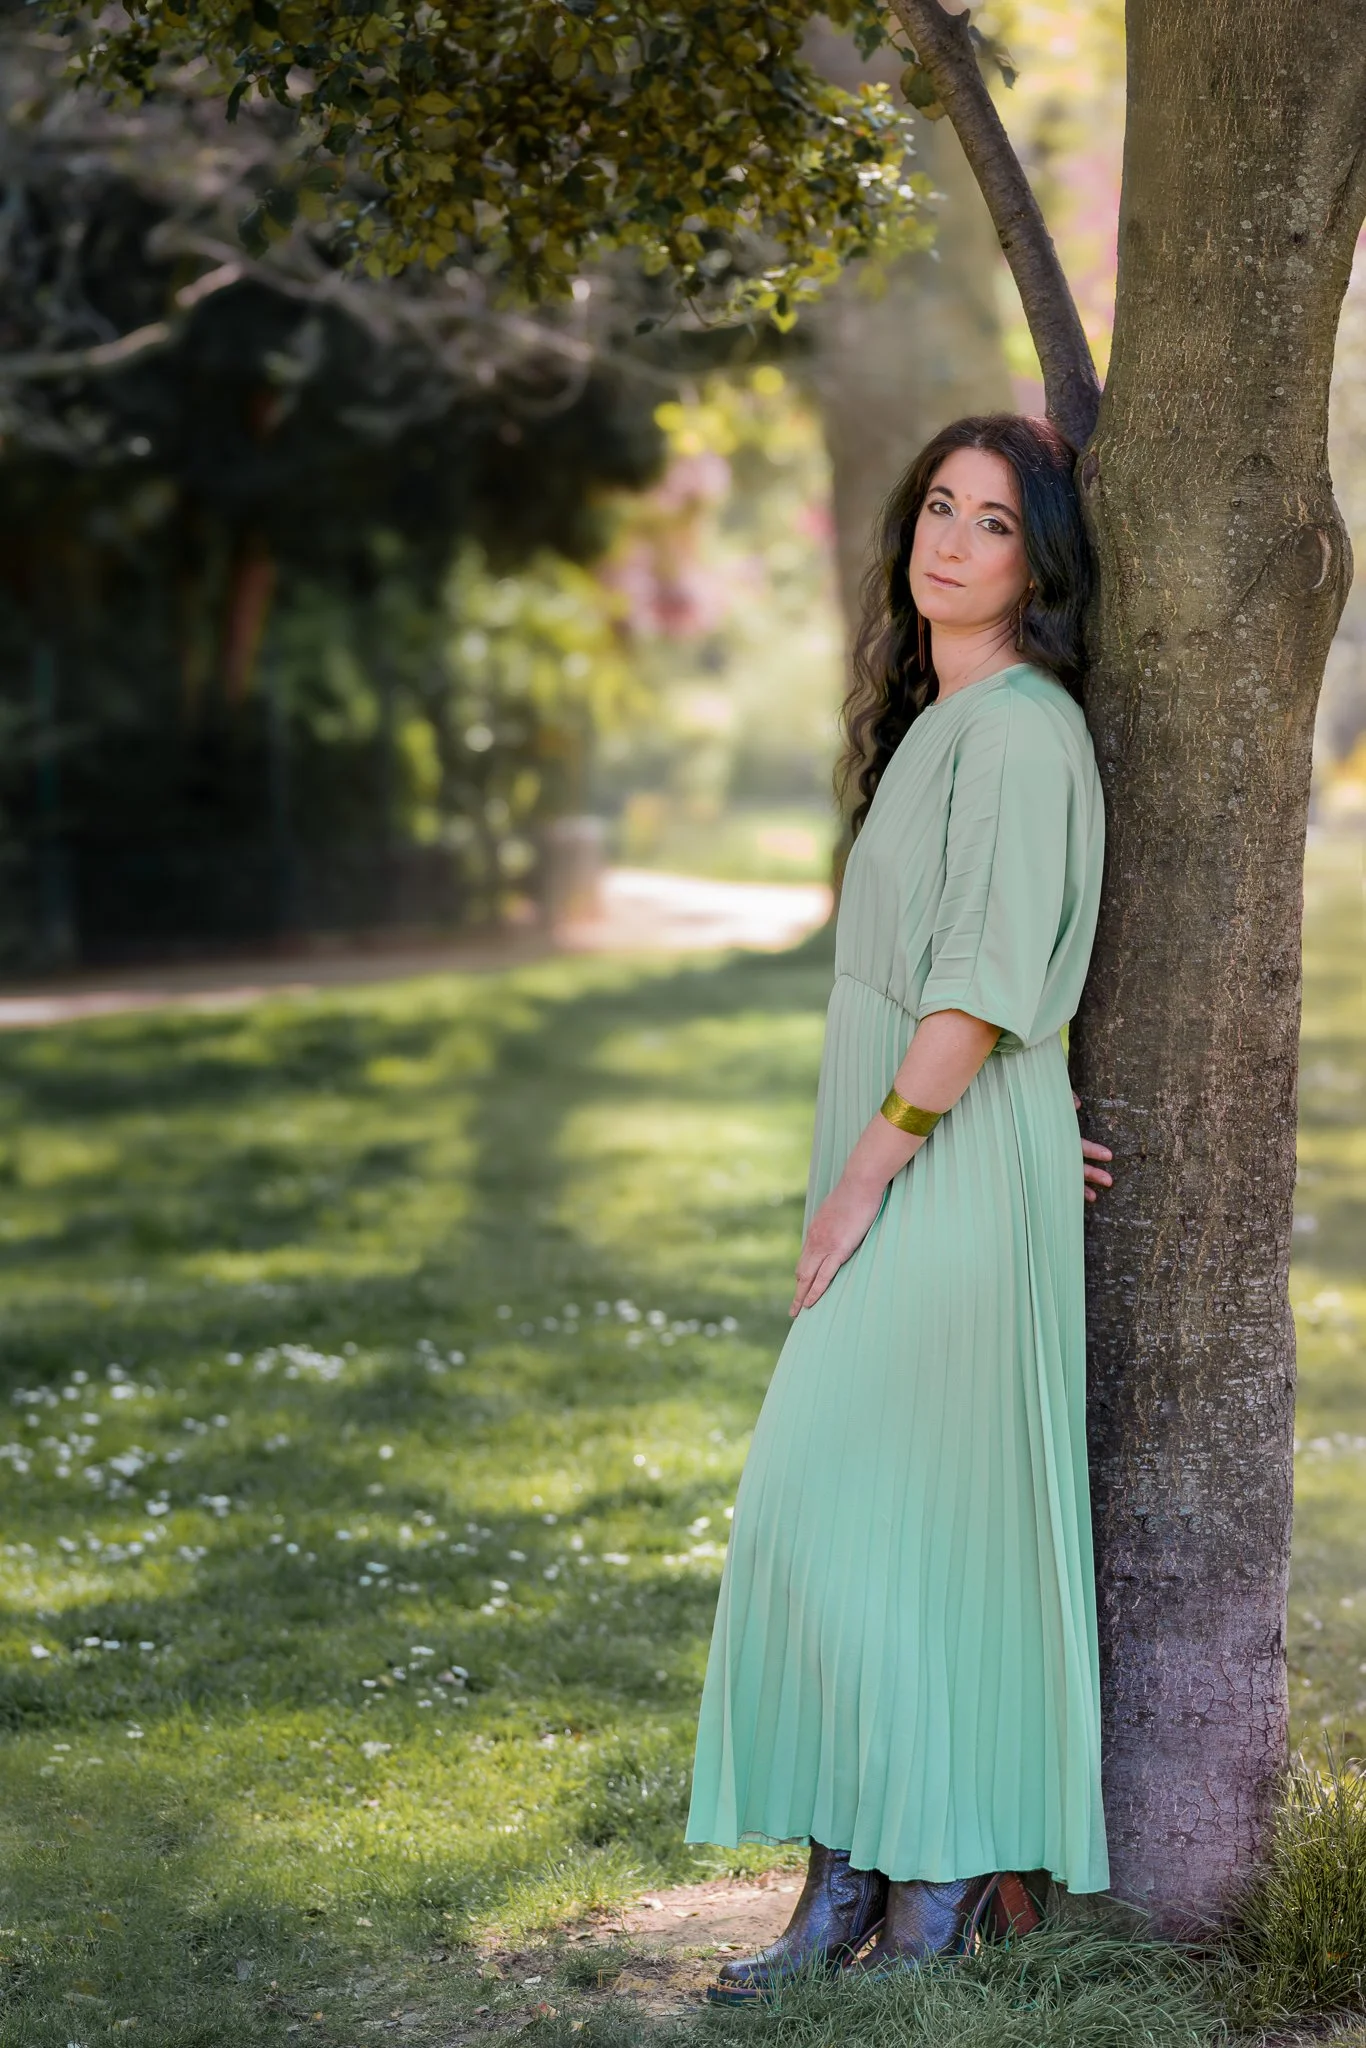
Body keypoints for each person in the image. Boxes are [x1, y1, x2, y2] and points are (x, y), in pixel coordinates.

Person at [684, 413, 1115, 2001]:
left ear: (1039, 560)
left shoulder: (1015, 727)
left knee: (854, 1514)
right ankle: (845, 1879)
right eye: (937, 506)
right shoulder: (942, 720)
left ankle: (930, 1884)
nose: (949, 540)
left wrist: (884, 1161)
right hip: (946, 1137)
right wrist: (997, 1120)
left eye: (993, 522)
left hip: (921, 1156)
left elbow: (984, 978)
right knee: (861, 1526)